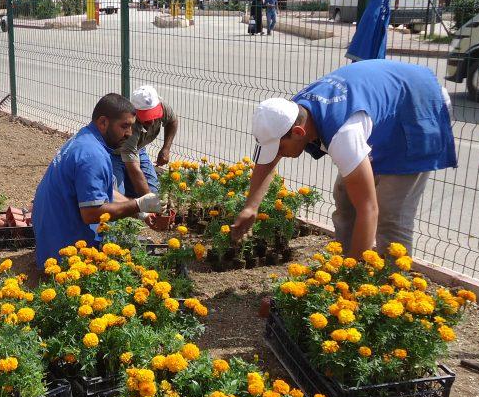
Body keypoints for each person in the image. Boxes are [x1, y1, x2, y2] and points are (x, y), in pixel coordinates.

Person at [231, 59, 456, 256]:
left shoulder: (343, 135)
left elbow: (369, 208)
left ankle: (389, 288)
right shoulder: (292, 112)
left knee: (390, 214)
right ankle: (346, 262)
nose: (278, 156)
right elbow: (268, 161)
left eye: (280, 149)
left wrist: (351, 278)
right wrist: (251, 206)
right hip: (381, 104)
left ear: (299, 133)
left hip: (419, 105)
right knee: (345, 196)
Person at [33, 94, 162, 267]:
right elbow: (91, 214)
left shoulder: (85, 139)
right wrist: (138, 204)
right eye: (125, 126)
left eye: (131, 127)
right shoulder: (92, 155)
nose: (130, 133)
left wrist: (142, 212)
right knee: (136, 261)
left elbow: (105, 191)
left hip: (50, 242)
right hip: (64, 256)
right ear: (103, 122)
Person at [111, 84, 178, 198]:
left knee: (154, 191)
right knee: (118, 196)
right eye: (146, 117)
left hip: (138, 149)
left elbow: (172, 121)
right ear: (134, 112)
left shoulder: (162, 107)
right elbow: (133, 167)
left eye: (154, 114)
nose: (152, 122)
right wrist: (148, 202)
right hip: (114, 154)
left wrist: (166, 148)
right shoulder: (129, 126)